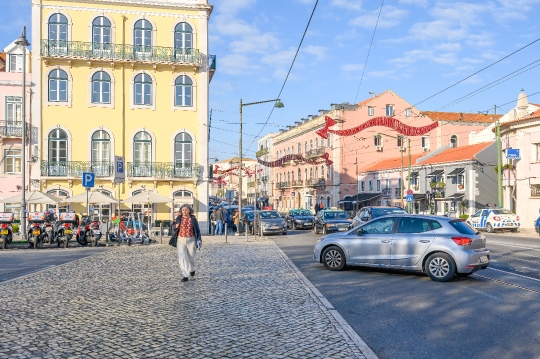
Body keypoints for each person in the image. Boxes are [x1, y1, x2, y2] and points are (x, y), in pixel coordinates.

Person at [174, 204, 201, 282]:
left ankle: (192, 269)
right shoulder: (179, 218)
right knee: (182, 257)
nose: (184, 211)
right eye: (183, 210)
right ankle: (185, 275)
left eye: (186, 210)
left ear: (189, 210)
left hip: (191, 240)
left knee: (191, 258)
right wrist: (175, 226)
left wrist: (199, 239)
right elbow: (174, 227)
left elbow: (197, 230)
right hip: (181, 239)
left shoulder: (193, 219)